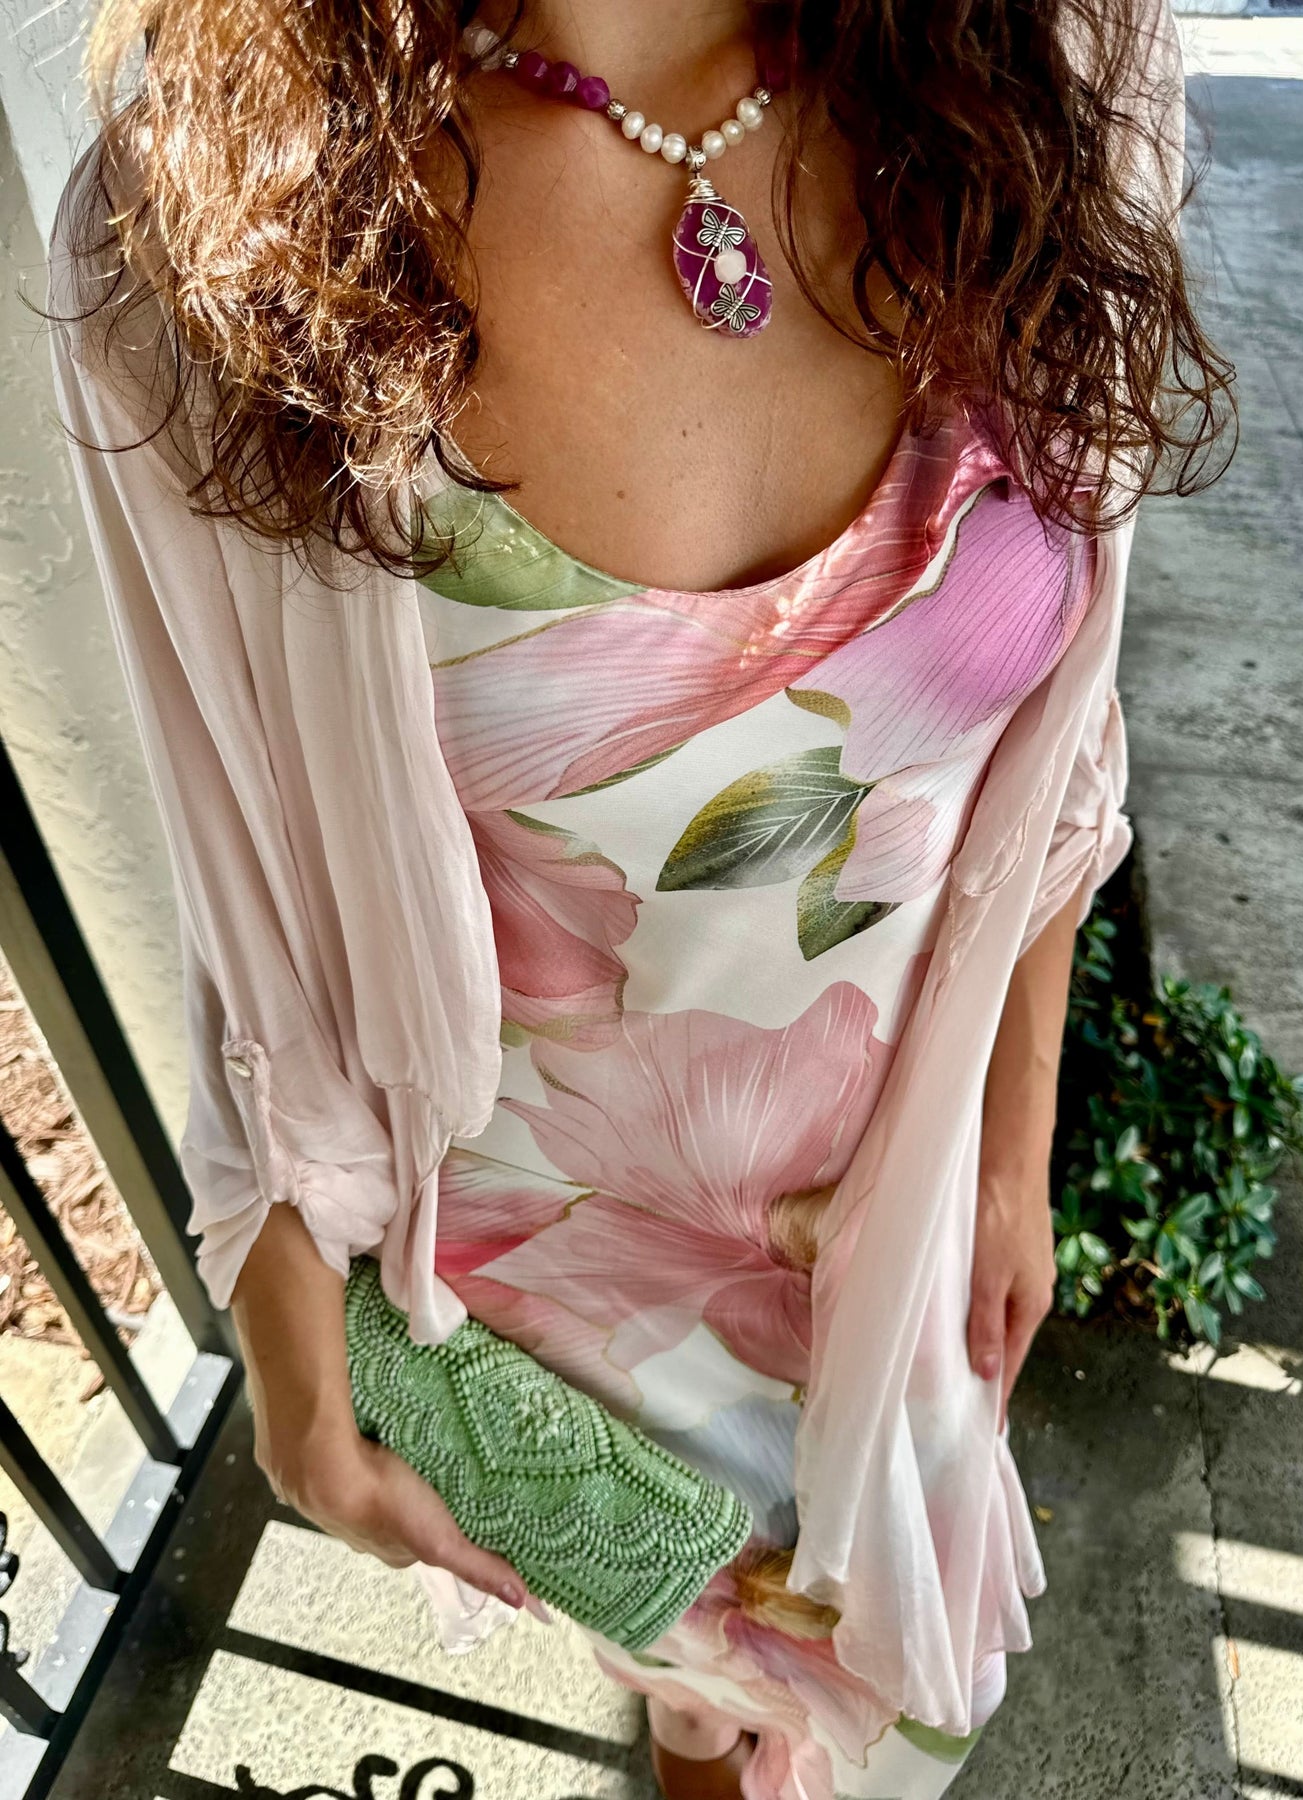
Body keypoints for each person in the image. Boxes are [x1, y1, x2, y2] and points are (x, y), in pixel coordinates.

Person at [45, 0, 1232, 1794]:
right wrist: (288, 1349)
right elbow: (250, 861)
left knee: (859, 1695)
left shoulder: (1064, 66)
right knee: (701, 1670)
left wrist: (1009, 1143)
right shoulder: (206, 219)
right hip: (541, 1270)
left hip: (893, 1208)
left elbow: (1057, 747)